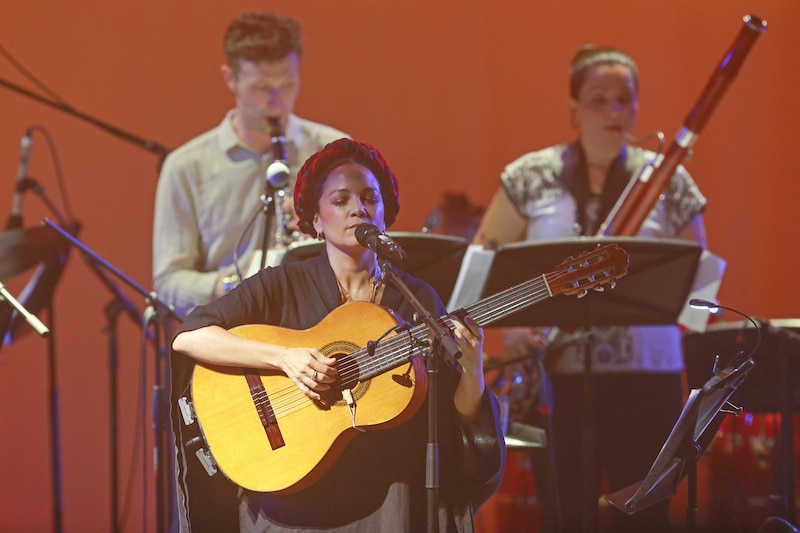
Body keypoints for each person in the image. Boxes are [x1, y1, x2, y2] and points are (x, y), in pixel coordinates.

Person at [169, 138, 506, 532]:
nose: (358, 208)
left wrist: (472, 367)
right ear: (315, 219)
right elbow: (190, 336)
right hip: (295, 498)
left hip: (389, 499)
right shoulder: (284, 284)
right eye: (341, 200)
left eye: (369, 198)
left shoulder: (415, 297)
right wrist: (283, 358)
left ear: (385, 214)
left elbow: (456, 416)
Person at [472, 45, 707, 532]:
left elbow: (701, 282)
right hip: (560, 379)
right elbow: (481, 265)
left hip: (650, 378)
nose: (615, 111)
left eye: (625, 99)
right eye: (599, 99)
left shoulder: (668, 178)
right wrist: (513, 333)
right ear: (573, 108)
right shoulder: (529, 176)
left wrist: (696, 318)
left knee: (647, 516)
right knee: (566, 513)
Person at [153, 11, 349, 320]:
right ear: (230, 79)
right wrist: (237, 285)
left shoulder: (335, 150)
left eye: (287, 85)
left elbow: (367, 253)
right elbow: (168, 282)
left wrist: (328, 232)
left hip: (324, 326)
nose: (277, 101)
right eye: (261, 88)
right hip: (236, 334)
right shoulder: (186, 167)